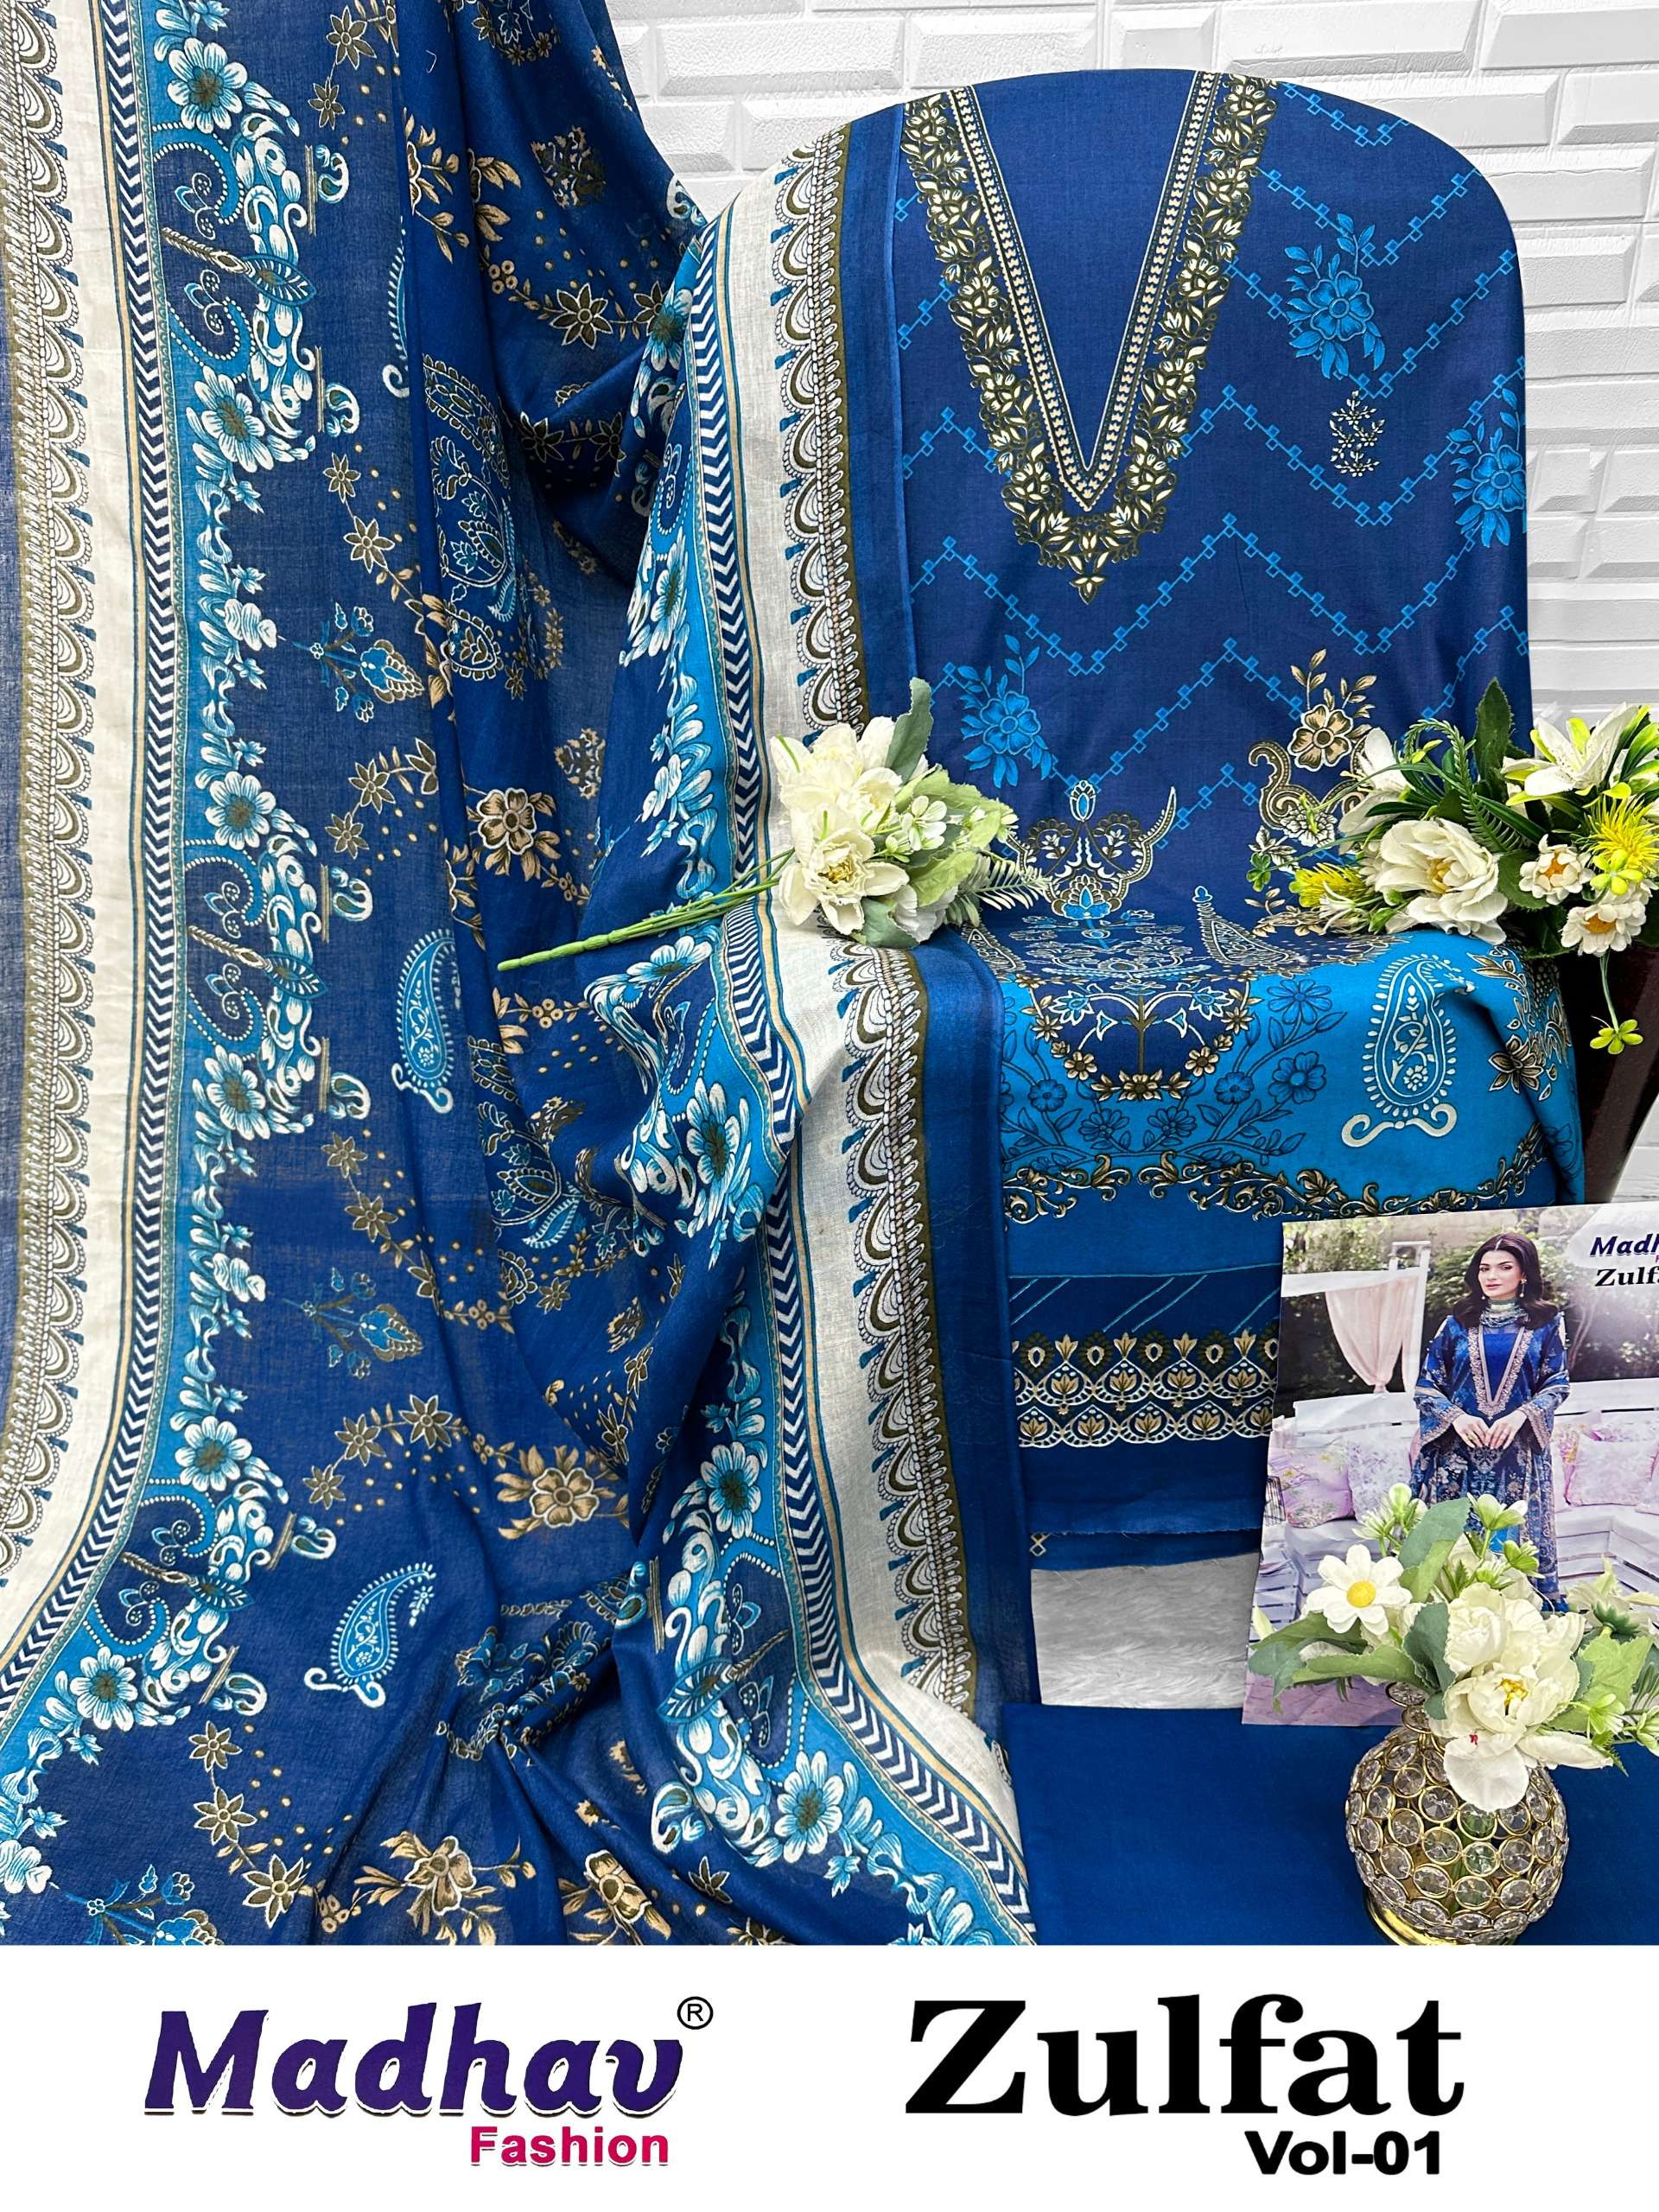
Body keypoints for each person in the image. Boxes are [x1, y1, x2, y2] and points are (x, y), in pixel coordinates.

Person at [1411, 1232, 1570, 1599]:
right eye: (1484, 1268)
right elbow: (1427, 1384)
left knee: (1507, 1546)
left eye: (1504, 1267)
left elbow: (1557, 1383)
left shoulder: (1547, 1323)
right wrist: (1456, 1417)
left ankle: (1513, 1615)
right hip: (1458, 1455)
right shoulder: (1456, 1323)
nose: (1492, 1276)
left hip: (1516, 1455)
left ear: (1524, 1273)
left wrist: (1520, 1416)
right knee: (1454, 1548)